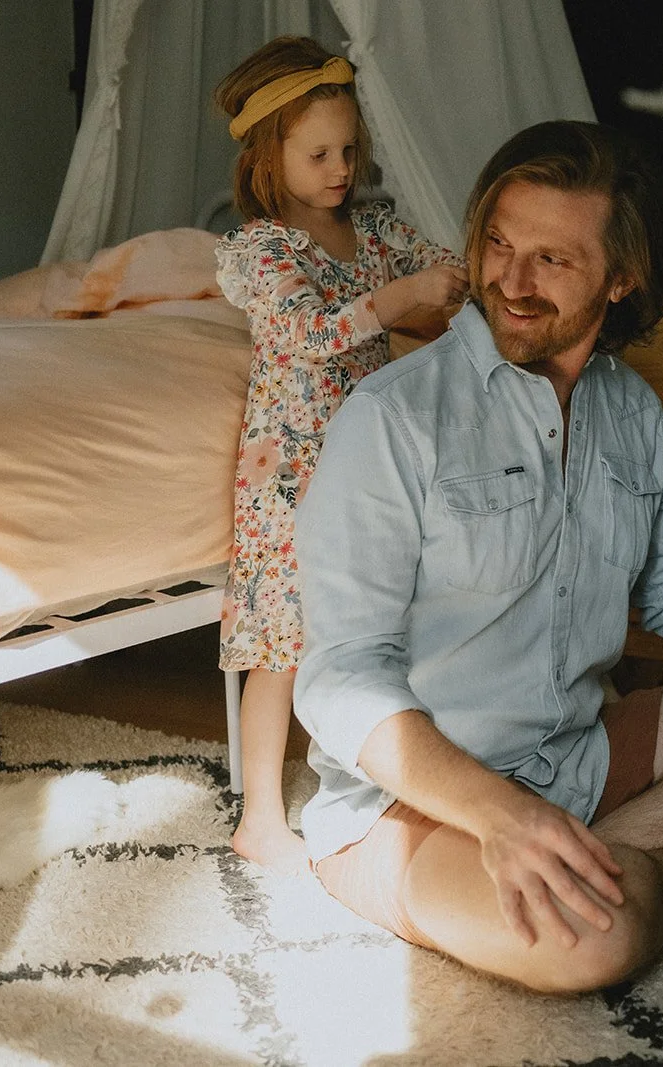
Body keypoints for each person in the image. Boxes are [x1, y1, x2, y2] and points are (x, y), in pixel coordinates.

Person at [291, 120, 663, 992]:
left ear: (622, 279)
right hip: (415, 808)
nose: (511, 280)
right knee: (588, 939)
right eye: (499, 244)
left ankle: (617, 856)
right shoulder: (392, 420)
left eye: (552, 259)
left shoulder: (634, 415)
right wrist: (497, 816)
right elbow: (339, 677)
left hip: (574, 757)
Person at [212, 37, 468, 875]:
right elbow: (312, 334)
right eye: (318, 153)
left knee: (370, 628)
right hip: (288, 473)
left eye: (349, 150)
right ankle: (258, 816)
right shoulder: (262, 251)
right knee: (282, 648)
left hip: (362, 468)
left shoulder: (373, 231)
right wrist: (397, 303)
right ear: (267, 158)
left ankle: (384, 780)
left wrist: (447, 286)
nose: (339, 167)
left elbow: (441, 271)